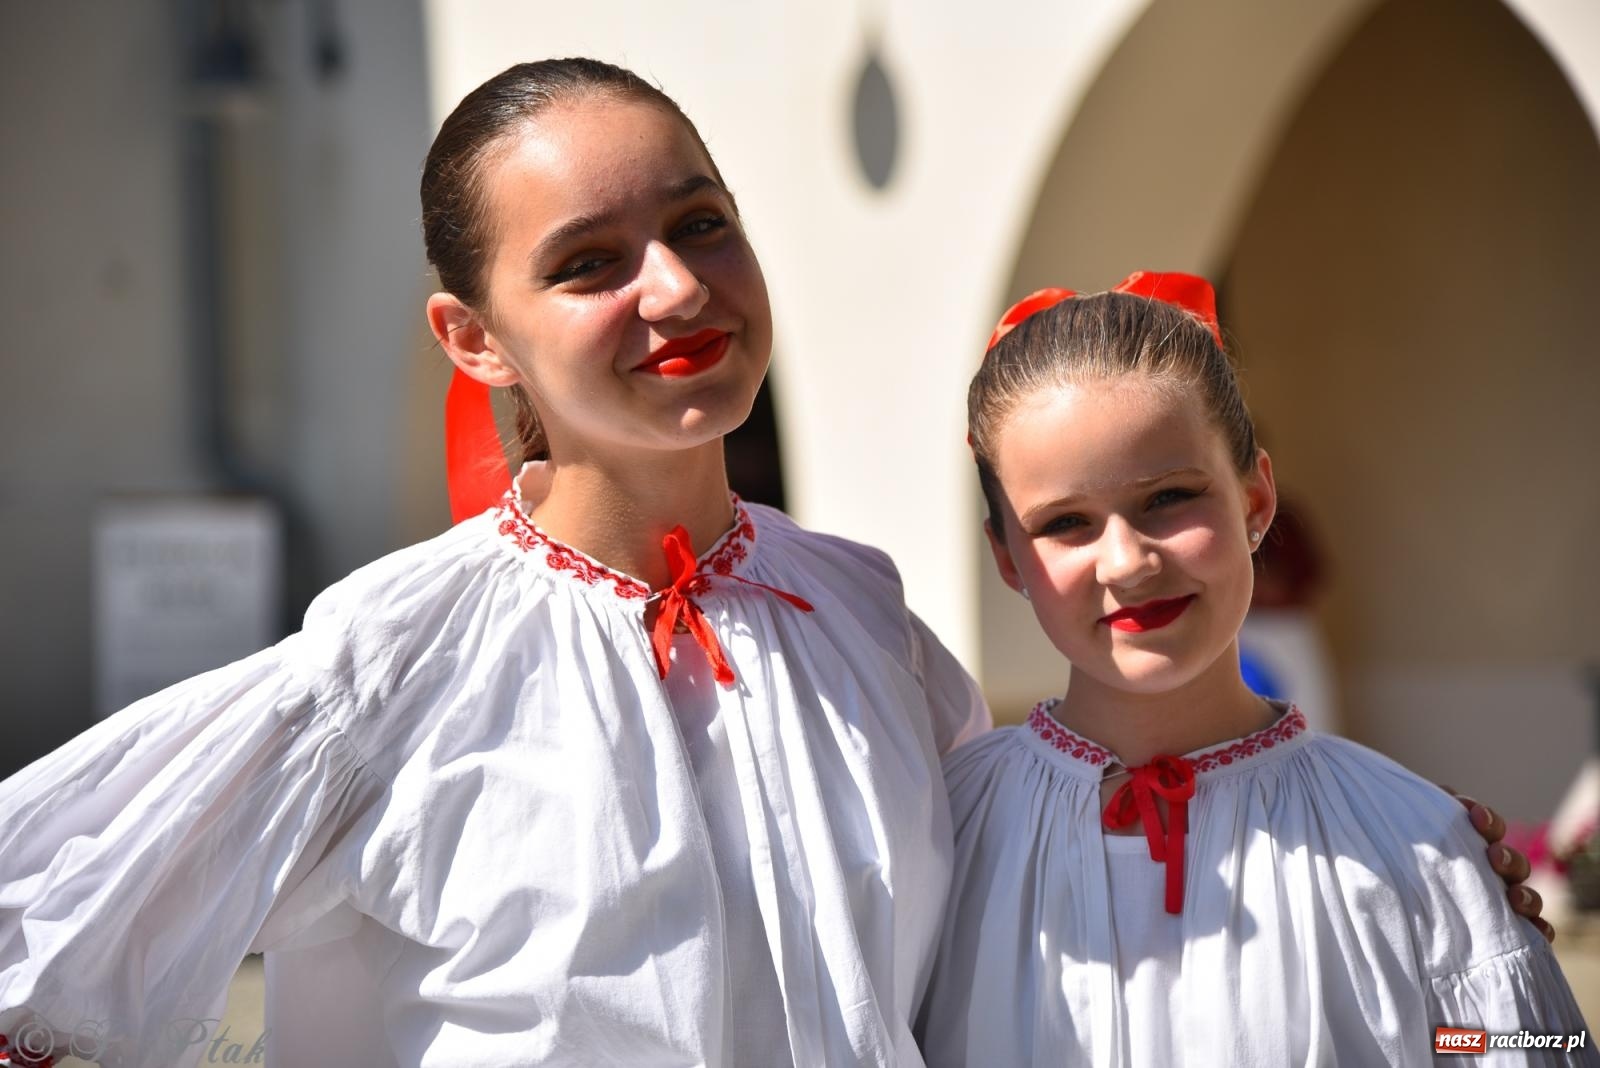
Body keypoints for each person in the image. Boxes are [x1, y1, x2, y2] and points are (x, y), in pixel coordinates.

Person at [0, 65, 1544, 1068]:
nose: (676, 288)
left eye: (703, 222)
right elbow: (48, 945)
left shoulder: (861, 615)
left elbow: (1044, 882)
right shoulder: (389, 660)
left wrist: (1408, 863)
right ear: (474, 340)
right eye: (588, 263)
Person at [917, 273, 1591, 1065]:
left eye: (1169, 497)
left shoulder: (1414, 842)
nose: (1129, 562)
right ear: (1008, 558)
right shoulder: (939, 836)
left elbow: (1501, 1044)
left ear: (1256, 501)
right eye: (1066, 523)